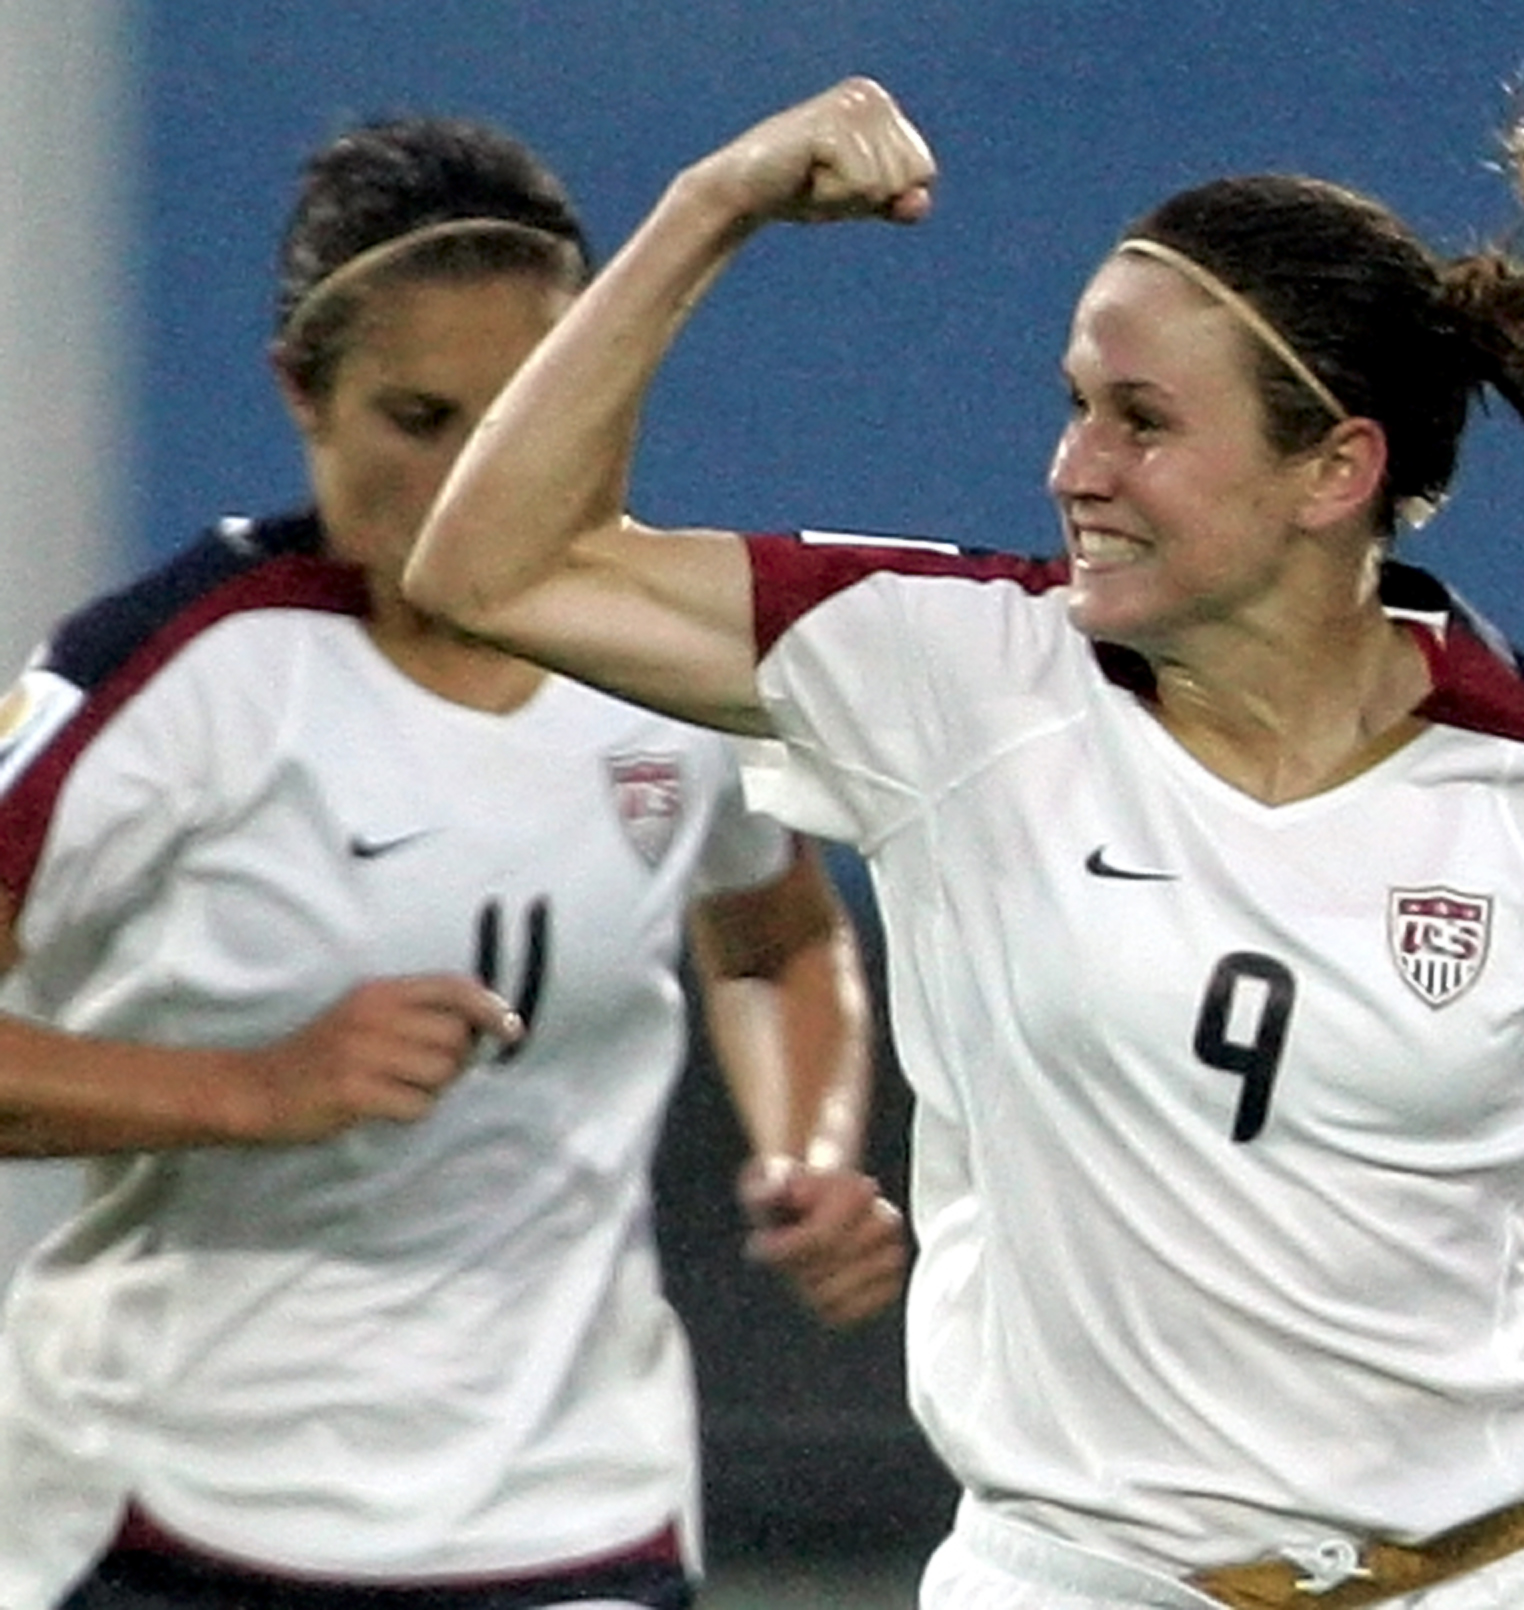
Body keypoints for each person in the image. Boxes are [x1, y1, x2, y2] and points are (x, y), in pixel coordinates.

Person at [404, 78, 1524, 1610]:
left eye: (1143, 421)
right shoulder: (944, 672)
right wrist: (710, 204)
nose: (1075, 468)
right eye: (1074, 404)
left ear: (1336, 470)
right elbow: (500, 567)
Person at [0, 110, 908, 1610]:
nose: (475, 483)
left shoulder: (666, 658)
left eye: (529, 418)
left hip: (572, 1508)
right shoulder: (176, 674)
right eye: (422, 421)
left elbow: (776, 933)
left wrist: (806, 1142)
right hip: (168, 1507)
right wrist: (251, 1088)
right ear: (305, 395)